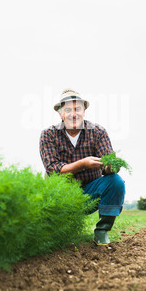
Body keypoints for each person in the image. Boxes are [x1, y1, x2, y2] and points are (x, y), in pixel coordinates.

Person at [39, 88, 126, 245]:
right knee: (57, 234)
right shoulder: (49, 134)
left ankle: (102, 231)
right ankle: (57, 233)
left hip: (90, 193)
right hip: (62, 196)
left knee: (116, 182)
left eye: (77, 109)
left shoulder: (98, 132)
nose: (74, 114)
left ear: (84, 111)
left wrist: (110, 166)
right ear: (60, 114)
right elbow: (52, 169)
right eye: (68, 110)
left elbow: (107, 164)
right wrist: (82, 164)